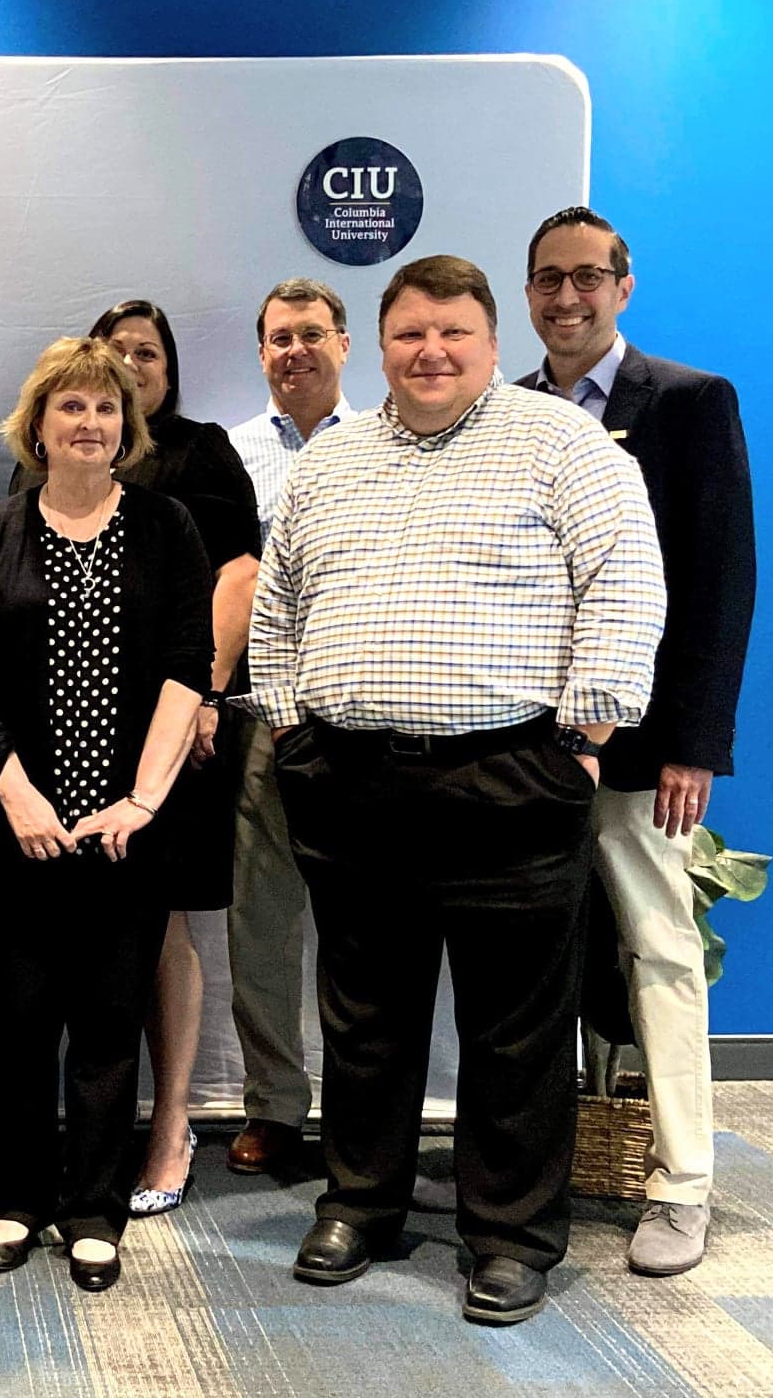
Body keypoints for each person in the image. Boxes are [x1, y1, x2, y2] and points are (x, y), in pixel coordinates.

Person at [248, 255, 665, 1325]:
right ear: (376, 348)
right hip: (348, 779)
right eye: (407, 336)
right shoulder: (328, 461)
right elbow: (276, 604)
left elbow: (623, 586)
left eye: (451, 335)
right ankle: (359, 1202)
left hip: (509, 778)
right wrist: (292, 725)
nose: (427, 353)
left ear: (488, 345)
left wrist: (580, 735)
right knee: (364, 1017)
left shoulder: (561, 444)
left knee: (513, 1030)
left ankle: (509, 1236)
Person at [514, 207, 755, 1276]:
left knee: (657, 950)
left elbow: (718, 582)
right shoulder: (505, 410)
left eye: (584, 278)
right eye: (546, 281)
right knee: (529, 966)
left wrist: (691, 745)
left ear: (622, 285)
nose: (565, 298)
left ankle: (681, 1183)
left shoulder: (690, 405)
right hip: (522, 746)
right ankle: (526, 1161)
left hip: (641, 746)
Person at [0, 337, 213, 1292]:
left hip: (125, 831)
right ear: (38, 425)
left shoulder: (164, 526)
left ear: (125, 427)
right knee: (18, 1017)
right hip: (13, 826)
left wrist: (141, 801)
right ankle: (19, 1199)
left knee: (107, 1019)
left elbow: (191, 662)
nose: (90, 424)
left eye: (106, 408)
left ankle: (93, 1208)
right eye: (71, 407)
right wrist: (13, 789)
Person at [79, 301, 261, 1215]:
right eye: (114, 352)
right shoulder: (68, 455)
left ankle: (170, 1126)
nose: (130, 366)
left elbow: (238, 574)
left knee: (166, 930)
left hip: (180, 726)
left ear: (168, 368)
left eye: (146, 353)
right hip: (78, 735)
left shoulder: (202, 450)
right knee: (99, 927)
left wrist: (202, 692)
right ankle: (97, 1127)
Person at [223, 278, 354, 1177]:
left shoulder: (392, 445)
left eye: (311, 334)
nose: (294, 351)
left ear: (343, 343)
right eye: (278, 338)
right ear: (260, 351)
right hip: (266, 718)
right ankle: (274, 1106)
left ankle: (360, 1107)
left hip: (360, 718)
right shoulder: (233, 454)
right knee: (261, 924)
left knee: (361, 928)